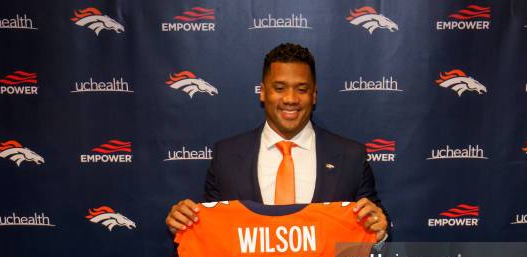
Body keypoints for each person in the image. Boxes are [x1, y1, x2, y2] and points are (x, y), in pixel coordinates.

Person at [165, 43, 388, 239]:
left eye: (302, 89)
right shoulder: (226, 156)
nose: (290, 99)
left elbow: (374, 238)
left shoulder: (351, 156)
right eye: (279, 88)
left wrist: (378, 232)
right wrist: (185, 225)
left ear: (314, 95)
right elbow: (211, 236)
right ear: (262, 92)